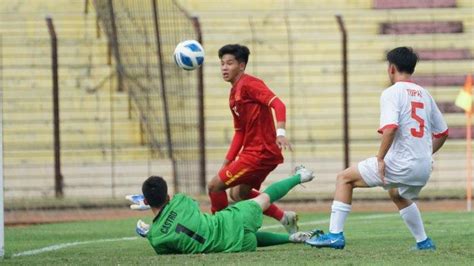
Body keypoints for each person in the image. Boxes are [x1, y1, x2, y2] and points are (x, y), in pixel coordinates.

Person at [306, 47, 448, 250]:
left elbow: (390, 129)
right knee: (397, 194)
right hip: (423, 168)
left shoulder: (391, 93)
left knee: (344, 178)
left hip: (400, 164)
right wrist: (424, 154)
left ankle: (335, 235)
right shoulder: (425, 95)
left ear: (391, 69)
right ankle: (424, 242)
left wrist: (380, 158)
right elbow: (443, 133)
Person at [126, 166, 322, 254]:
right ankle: (301, 176)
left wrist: (149, 232)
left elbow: (166, 249)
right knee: (265, 197)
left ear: (146, 201)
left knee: (246, 236)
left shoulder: (157, 238)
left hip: (236, 246)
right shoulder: (178, 201)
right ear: (167, 196)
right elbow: (193, 205)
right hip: (231, 220)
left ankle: (291, 238)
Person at [207, 44, 297, 233]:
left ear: (241, 65)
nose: (224, 68)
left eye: (229, 63)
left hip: (260, 152)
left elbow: (278, 104)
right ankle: (285, 217)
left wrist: (280, 133)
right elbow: (240, 131)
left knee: (215, 186)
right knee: (239, 193)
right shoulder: (234, 94)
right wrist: (227, 162)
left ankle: (219, 230)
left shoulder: (250, 84)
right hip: (253, 151)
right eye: (222, 64)